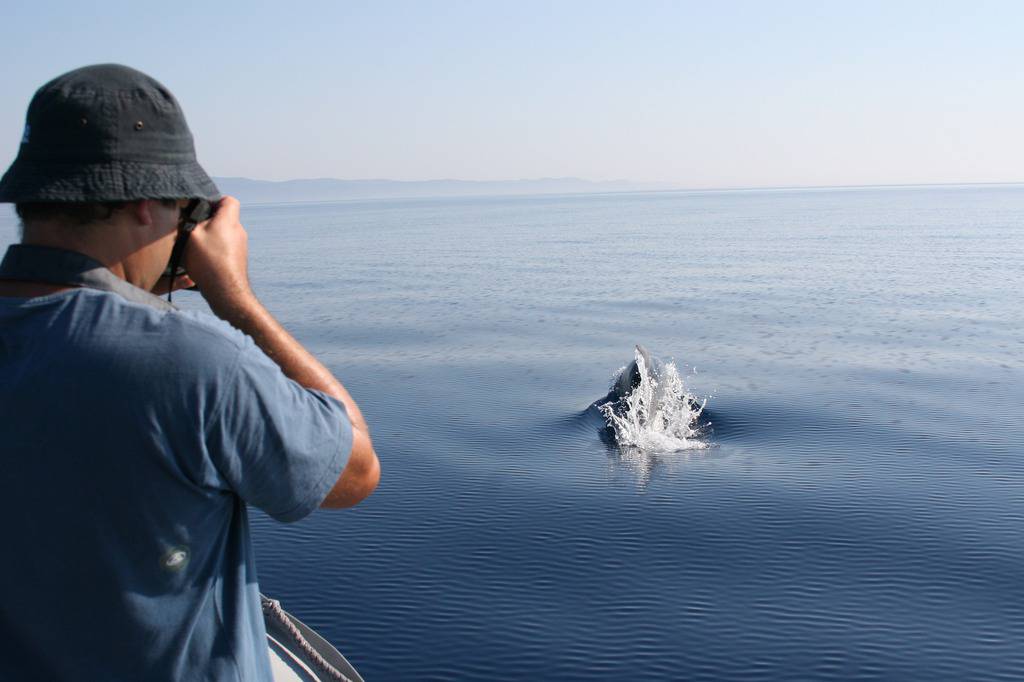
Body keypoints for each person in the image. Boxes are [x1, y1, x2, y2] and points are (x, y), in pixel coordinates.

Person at [0, 64, 379, 680]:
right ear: (149, 207)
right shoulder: (192, 363)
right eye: (185, 210)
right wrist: (237, 300)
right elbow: (355, 473)